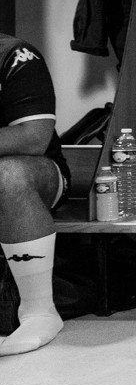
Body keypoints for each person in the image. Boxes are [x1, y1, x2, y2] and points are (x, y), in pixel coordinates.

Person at [0, 33, 71, 356]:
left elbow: (34, 138)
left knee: (7, 175)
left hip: (35, 173)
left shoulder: (15, 55)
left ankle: (40, 312)